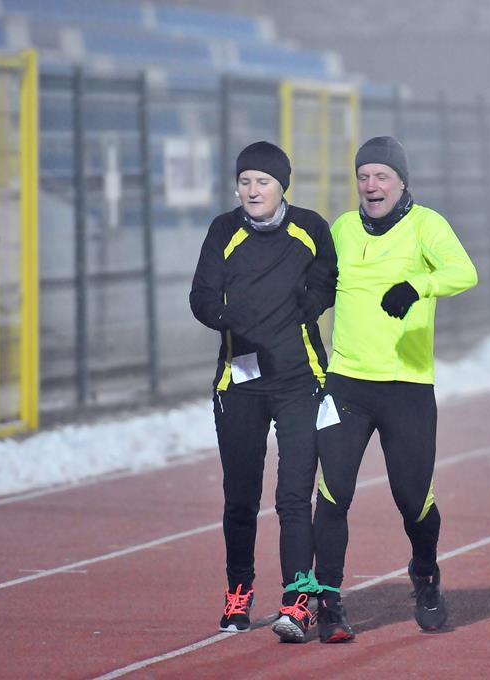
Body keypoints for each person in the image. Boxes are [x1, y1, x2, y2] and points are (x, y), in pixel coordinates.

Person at [311, 136, 478, 642]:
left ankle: (425, 572)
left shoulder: (426, 225)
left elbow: (464, 272)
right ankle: (328, 600)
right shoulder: (342, 228)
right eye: (363, 176)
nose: (371, 185)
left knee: (413, 498)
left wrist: (418, 285)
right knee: (332, 491)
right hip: (347, 383)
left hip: (406, 385)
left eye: (381, 175)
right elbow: (317, 285)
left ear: (401, 182)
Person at [189, 141, 337, 642]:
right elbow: (201, 296)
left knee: (294, 496)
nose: (253, 190)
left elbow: (328, 279)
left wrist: (310, 304)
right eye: (245, 181)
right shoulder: (223, 231)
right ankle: (238, 592)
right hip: (242, 380)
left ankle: (296, 600)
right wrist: (231, 318)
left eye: (263, 182)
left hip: (299, 380)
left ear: (282, 186)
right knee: (240, 497)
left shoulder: (310, 228)